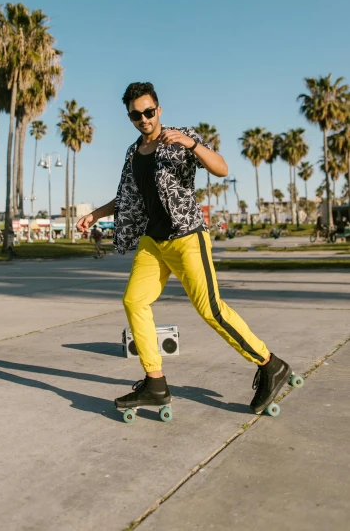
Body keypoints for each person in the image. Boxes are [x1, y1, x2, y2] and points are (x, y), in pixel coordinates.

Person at [77, 82, 293, 415]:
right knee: (134, 300)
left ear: (159, 109)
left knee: (212, 310)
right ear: (130, 117)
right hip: (153, 243)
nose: (144, 119)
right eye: (136, 115)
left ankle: (269, 364)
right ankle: (155, 383)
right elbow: (126, 197)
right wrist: (94, 214)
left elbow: (221, 169)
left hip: (187, 237)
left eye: (149, 112)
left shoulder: (181, 138)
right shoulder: (133, 152)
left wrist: (191, 144)